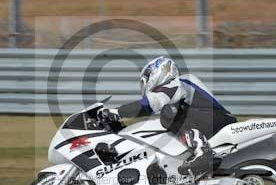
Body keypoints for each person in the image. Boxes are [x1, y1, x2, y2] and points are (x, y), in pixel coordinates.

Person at [99, 56, 237, 176]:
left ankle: (203, 152)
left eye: (145, 80)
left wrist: (117, 112)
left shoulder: (177, 83)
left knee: (168, 114)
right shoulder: (179, 86)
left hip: (218, 119)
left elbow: (150, 103)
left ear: (158, 73)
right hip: (213, 119)